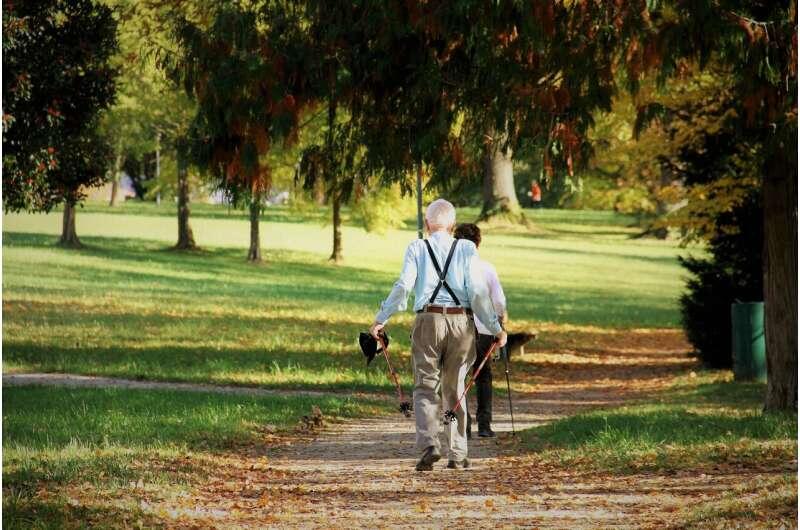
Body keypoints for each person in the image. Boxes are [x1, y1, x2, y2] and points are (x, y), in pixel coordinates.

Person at [369, 199, 507, 471]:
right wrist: (495, 328)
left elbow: (404, 286)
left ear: (426, 224)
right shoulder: (467, 249)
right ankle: (458, 452)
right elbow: (478, 294)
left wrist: (380, 319)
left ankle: (430, 444)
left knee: (424, 386)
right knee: (455, 388)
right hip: (460, 323)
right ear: (453, 225)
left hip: (427, 321)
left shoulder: (417, 247)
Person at [454, 223, 507, 439]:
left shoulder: (452, 269)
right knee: (483, 376)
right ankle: (484, 425)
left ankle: (463, 426)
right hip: (485, 328)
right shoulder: (487, 268)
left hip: (459, 328)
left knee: (459, 376)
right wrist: (501, 323)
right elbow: (499, 301)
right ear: (479, 242)